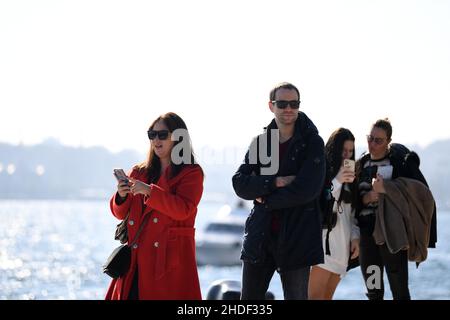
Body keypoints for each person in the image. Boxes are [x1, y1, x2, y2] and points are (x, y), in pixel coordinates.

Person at [232, 82, 326, 300]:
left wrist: (264, 198)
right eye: (282, 103)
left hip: (297, 238)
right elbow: (240, 183)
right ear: (271, 106)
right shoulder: (261, 143)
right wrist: (275, 182)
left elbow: (307, 190)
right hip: (260, 237)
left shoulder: (312, 142)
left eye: (294, 103)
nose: (288, 108)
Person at [105, 112, 204, 300]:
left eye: (162, 135)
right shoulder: (139, 171)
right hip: (136, 261)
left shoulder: (191, 173)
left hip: (170, 265)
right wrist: (121, 195)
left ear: (178, 137)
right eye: (152, 135)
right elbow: (119, 213)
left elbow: (184, 210)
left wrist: (150, 191)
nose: (156, 140)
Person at [356, 118, 437, 300]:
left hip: (392, 237)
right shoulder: (360, 165)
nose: (372, 144)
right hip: (368, 238)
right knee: (374, 292)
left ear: (388, 142)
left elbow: (416, 194)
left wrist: (387, 188)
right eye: (370, 138)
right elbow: (351, 202)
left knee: (399, 291)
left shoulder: (398, 165)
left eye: (378, 140)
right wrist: (366, 198)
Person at [308, 128, 360, 300]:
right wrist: (338, 180)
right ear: (335, 149)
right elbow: (321, 197)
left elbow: (352, 214)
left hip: (342, 250)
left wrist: (355, 237)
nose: (347, 155)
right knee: (314, 297)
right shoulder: (323, 171)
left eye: (351, 151)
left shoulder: (352, 178)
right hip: (323, 247)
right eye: (343, 150)